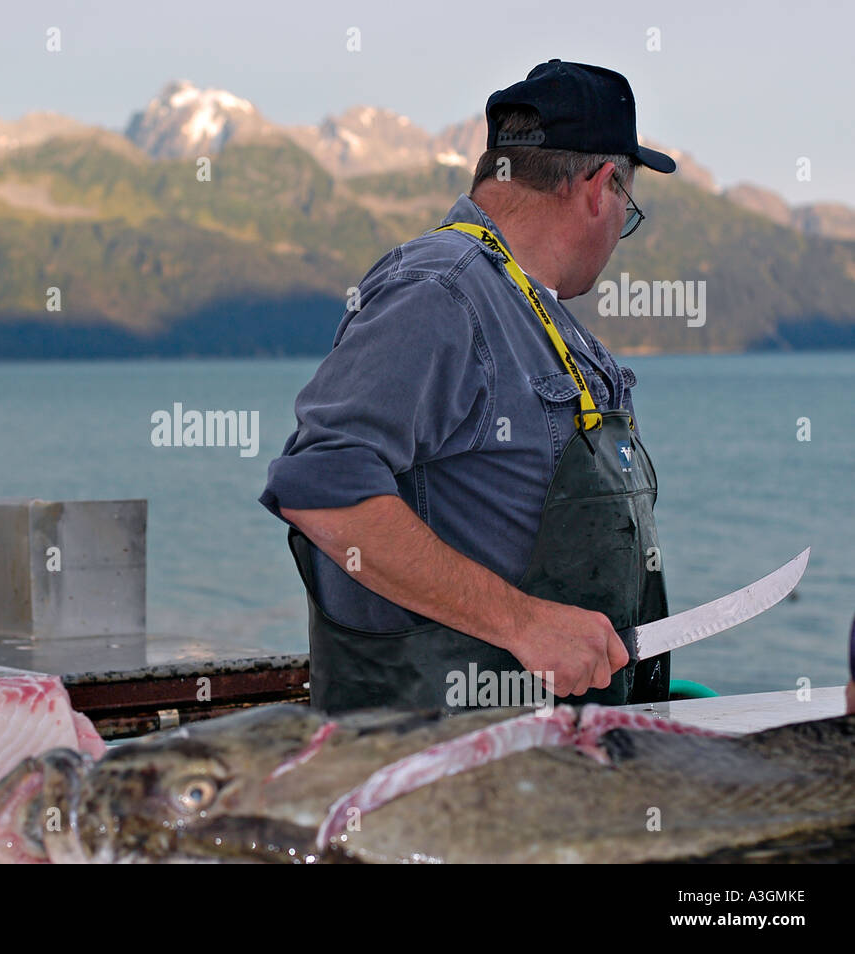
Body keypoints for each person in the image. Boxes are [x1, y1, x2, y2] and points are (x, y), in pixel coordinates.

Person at [260, 60, 677, 714]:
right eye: (629, 206)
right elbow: (321, 488)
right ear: (601, 188)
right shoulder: (440, 291)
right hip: (433, 767)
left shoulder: (535, 311)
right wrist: (525, 624)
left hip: (548, 761)